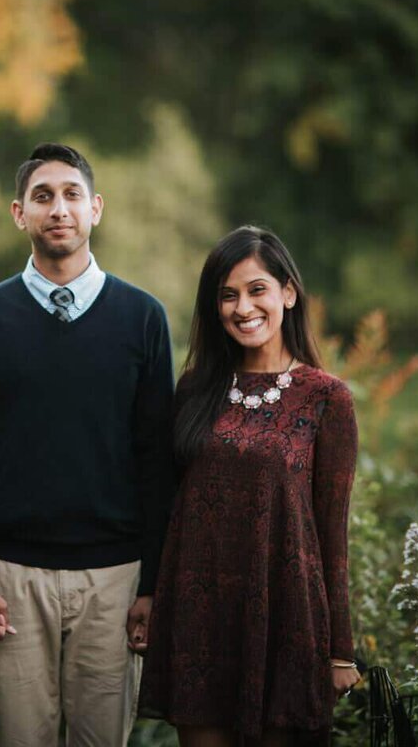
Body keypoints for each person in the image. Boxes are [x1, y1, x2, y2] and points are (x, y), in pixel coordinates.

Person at [0, 142, 176, 746]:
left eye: (71, 195)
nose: (58, 209)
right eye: (42, 197)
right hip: (11, 579)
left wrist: (152, 584)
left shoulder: (142, 318)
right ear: (19, 214)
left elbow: (157, 461)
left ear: (95, 209)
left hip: (114, 579)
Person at [137, 226, 360, 747]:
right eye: (228, 295)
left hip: (285, 615)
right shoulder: (195, 388)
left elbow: (333, 531)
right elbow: (166, 503)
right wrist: (148, 593)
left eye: (256, 290)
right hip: (200, 617)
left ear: (287, 292)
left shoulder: (326, 398)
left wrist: (341, 650)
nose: (243, 307)